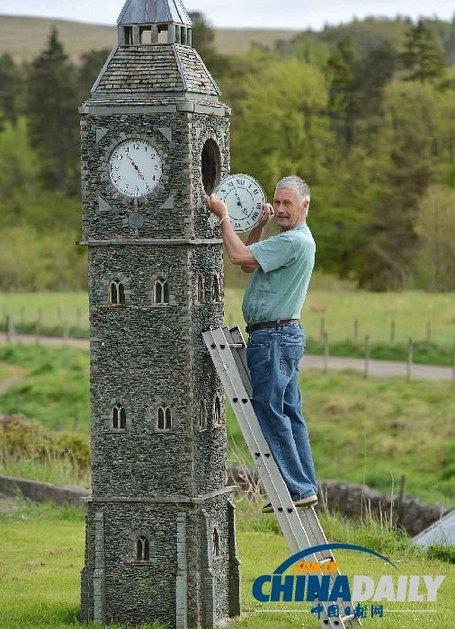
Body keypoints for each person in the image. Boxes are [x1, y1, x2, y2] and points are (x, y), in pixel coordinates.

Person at [205, 175, 318, 513]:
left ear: (304, 206)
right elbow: (249, 262)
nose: (281, 209)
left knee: (269, 408)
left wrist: (224, 216)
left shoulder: (293, 242)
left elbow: (238, 257)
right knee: (289, 412)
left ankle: (296, 487)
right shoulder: (289, 240)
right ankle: (304, 485)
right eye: (278, 202)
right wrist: (259, 224)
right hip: (280, 336)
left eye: (288, 204)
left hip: (272, 338)